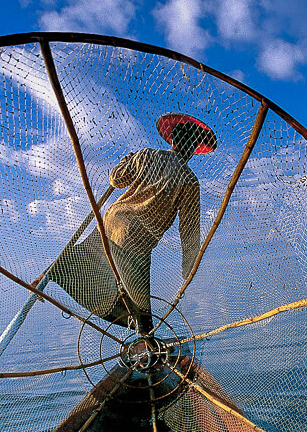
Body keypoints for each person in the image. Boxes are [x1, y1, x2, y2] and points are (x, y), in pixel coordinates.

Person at [50, 114, 216, 335]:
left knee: (85, 266)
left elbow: (117, 180)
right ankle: (146, 341)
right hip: (137, 236)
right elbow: (189, 228)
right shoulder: (189, 180)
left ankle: (52, 273)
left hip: (110, 223)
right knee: (140, 306)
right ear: (190, 149)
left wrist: (127, 161)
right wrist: (189, 266)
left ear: (173, 142)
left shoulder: (146, 155)